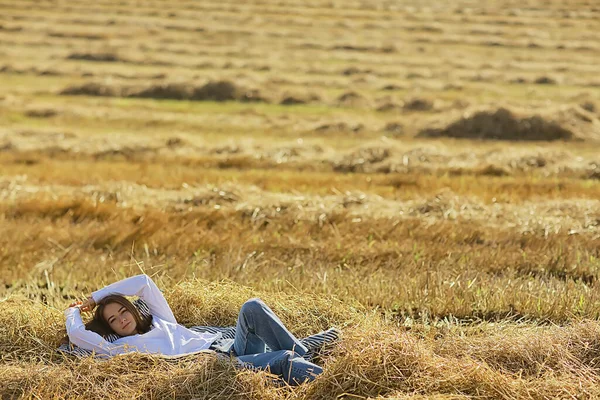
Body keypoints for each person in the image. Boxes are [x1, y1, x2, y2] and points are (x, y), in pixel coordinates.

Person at [65, 274, 322, 385]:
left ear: (132, 310)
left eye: (123, 311)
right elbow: (77, 334)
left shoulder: (162, 320)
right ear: (110, 329)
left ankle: (304, 356)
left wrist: (97, 297)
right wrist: (75, 309)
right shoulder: (118, 349)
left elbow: (144, 283)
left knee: (252, 307)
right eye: (112, 320)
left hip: (229, 347)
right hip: (218, 366)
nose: (121, 319)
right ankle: (330, 381)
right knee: (281, 359)